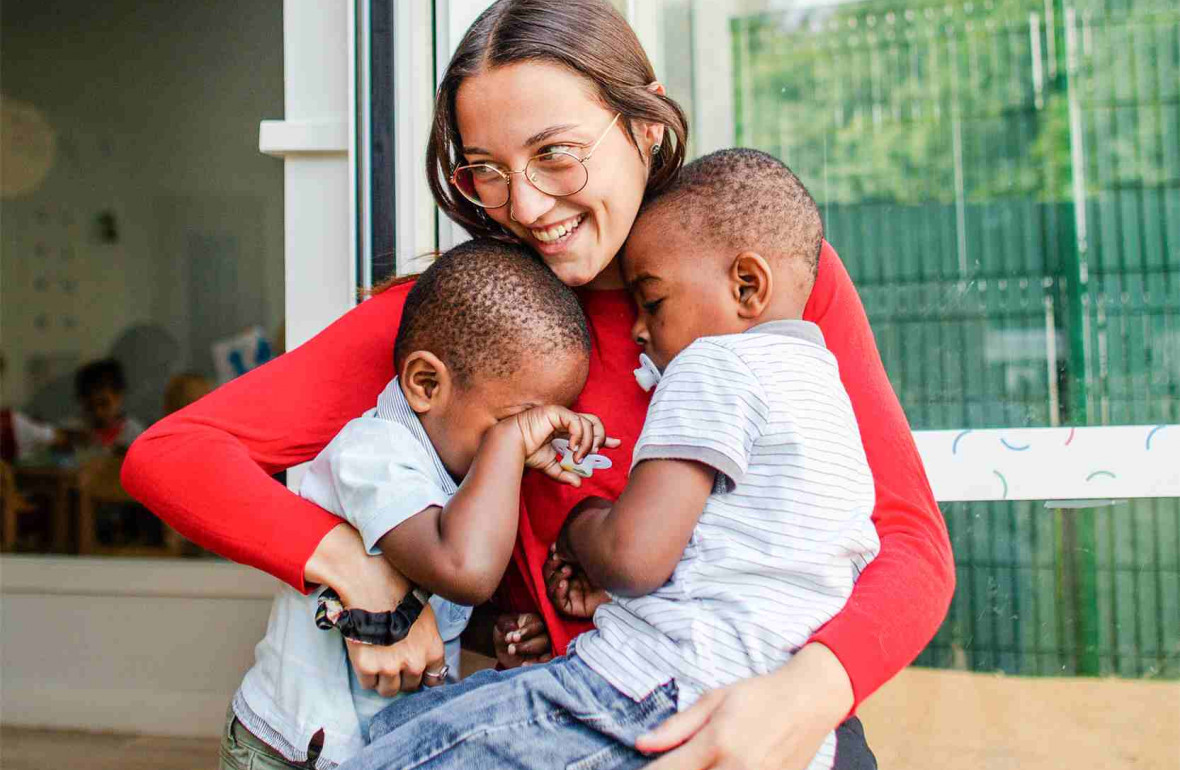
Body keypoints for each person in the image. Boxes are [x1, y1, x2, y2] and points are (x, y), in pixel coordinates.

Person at [123, 2, 954, 767]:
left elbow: (910, 544)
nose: (523, 204)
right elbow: (176, 455)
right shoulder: (470, 316)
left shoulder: (754, 279)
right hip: (581, 724)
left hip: (782, 721)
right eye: (486, 169)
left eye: (554, 154)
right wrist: (363, 573)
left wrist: (800, 698)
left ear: (645, 126)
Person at [339, 149, 879, 770]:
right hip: (773, 712)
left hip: (652, 687)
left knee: (387, 754)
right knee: (408, 729)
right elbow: (749, 567)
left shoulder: (712, 362)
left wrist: (581, 525)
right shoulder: (824, 388)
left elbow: (632, 559)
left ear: (747, 286)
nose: (639, 331)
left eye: (652, 302)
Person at [223, 240, 615, 769]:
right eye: (516, 421)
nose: (528, 442)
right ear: (425, 383)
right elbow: (461, 570)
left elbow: (444, 608)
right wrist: (507, 444)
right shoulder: (373, 453)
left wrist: (495, 634)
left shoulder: (462, 474)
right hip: (290, 753)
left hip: (381, 747)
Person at [74, 358, 144, 452]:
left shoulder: (135, 435)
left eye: (104, 404)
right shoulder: (74, 432)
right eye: (90, 407)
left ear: (119, 396)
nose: (98, 412)